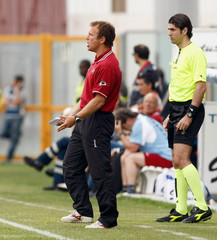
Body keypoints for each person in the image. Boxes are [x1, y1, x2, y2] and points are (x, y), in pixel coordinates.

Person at [57, 21, 121, 229]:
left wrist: (75, 119)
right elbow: (85, 100)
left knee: (99, 170)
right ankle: (83, 211)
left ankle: (108, 218)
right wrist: (70, 115)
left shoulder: (107, 65)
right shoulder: (97, 62)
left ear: (102, 39)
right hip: (85, 120)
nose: (87, 37)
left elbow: (99, 101)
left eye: (91, 34)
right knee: (71, 166)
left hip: (98, 121)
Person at [156, 13, 212, 223]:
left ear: (184, 30)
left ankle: (202, 207)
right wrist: (171, 114)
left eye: (172, 30)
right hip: (177, 109)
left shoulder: (195, 53)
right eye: (168, 29)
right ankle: (180, 208)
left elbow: (201, 86)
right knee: (176, 162)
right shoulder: (179, 52)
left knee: (182, 159)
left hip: (190, 110)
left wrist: (189, 114)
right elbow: (181, 87)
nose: (169, 33)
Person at [23, 59, 91, 190]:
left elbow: (85, 101)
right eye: (79, 67)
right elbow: (79, 101)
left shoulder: (89, 81)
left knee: (65, 142)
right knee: (64, 148)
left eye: (83, 67)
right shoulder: (81, 83)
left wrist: (74, 115)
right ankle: (57, 182)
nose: (80, 70)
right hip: (78, 116)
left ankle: (42, 161)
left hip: (84, 118)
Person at [114, 108, 172, 194]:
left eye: (124, 126)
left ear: (128, 120)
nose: (126, 129)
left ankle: (130, 190)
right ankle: (125, 190)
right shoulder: (141, 119)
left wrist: (120, 133)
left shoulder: (139, 124)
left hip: (166, 158)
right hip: (163, 155)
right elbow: (129, 148)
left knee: (130, 159)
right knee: (124, 156)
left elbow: (132, 148)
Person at [0, 75, 25, 162]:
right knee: (2, 133)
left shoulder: (22, 91)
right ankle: (16, 135)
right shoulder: (7, 89)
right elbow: (5, 102)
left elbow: (18, 101)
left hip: (17, 116)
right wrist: (12, 102)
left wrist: (17, 90)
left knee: (14, 139)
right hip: (8, 116)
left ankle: (9, 158)